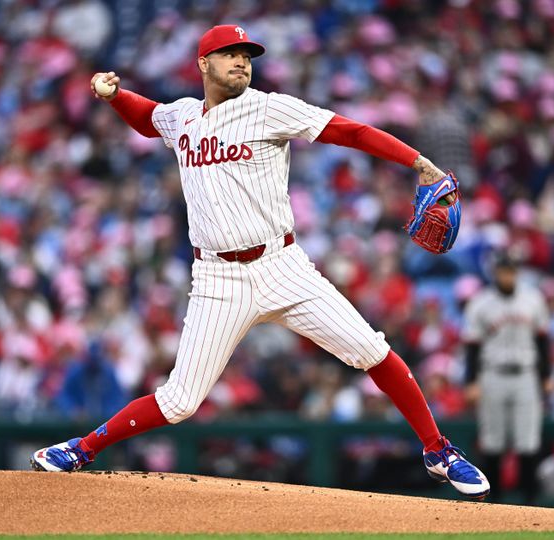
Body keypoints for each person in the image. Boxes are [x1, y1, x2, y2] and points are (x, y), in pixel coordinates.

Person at [31, 25, 489, 499]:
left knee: (371, 350)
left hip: (282, 266)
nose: (242, 62)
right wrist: (115, 96)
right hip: (217, 278)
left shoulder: (270, 107)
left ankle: (438, 451)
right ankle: (81, 449)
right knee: (180, 401)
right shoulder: (184, 117)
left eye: (247, 55)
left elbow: (349, 130)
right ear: (203, 64)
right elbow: (150, 119)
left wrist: (418, 162)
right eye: (230, 54)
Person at [463, 252, 551, 503]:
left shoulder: (533, 299)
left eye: (511, 270)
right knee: (492, 441)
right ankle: (494, 505)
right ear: (495, 273)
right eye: (503, 270)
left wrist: (546, 375)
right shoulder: (480, 303)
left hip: (526, 374)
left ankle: (531, 504)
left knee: (528, 441)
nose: (507, 275)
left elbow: (543, 341)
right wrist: (471, 381)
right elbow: (472, 346)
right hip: (493, 374)